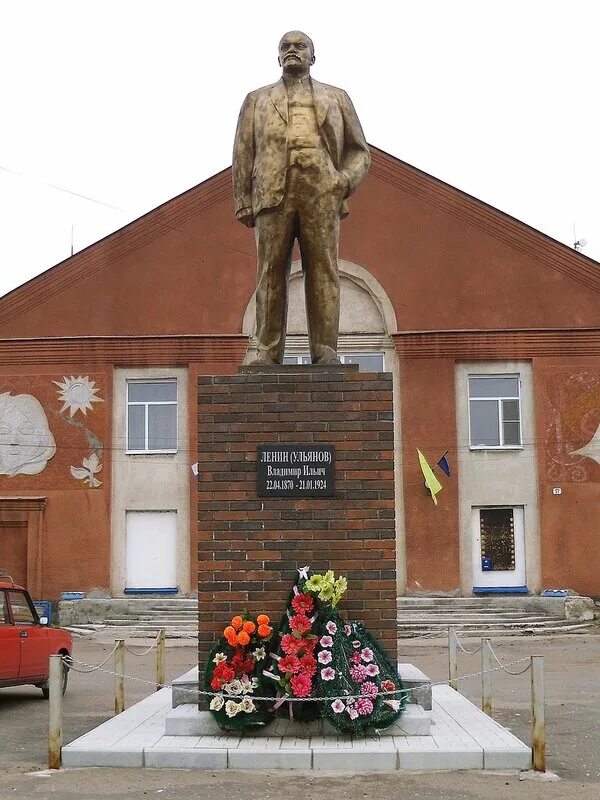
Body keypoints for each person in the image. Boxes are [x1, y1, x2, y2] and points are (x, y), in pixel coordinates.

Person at [233, 31, 371, 365]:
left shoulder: (336, 98)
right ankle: (267, 351)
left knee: (323, 269)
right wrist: (243, 199)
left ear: (312, 56)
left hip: (320, 192)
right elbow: (242, 151)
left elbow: (360, 152)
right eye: (285, 47)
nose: (292, 51)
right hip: (271, 193)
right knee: (269, 271)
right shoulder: (256, 100)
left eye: (300, 46)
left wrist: (343, 180)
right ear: (278, 57)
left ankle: (325, 350)